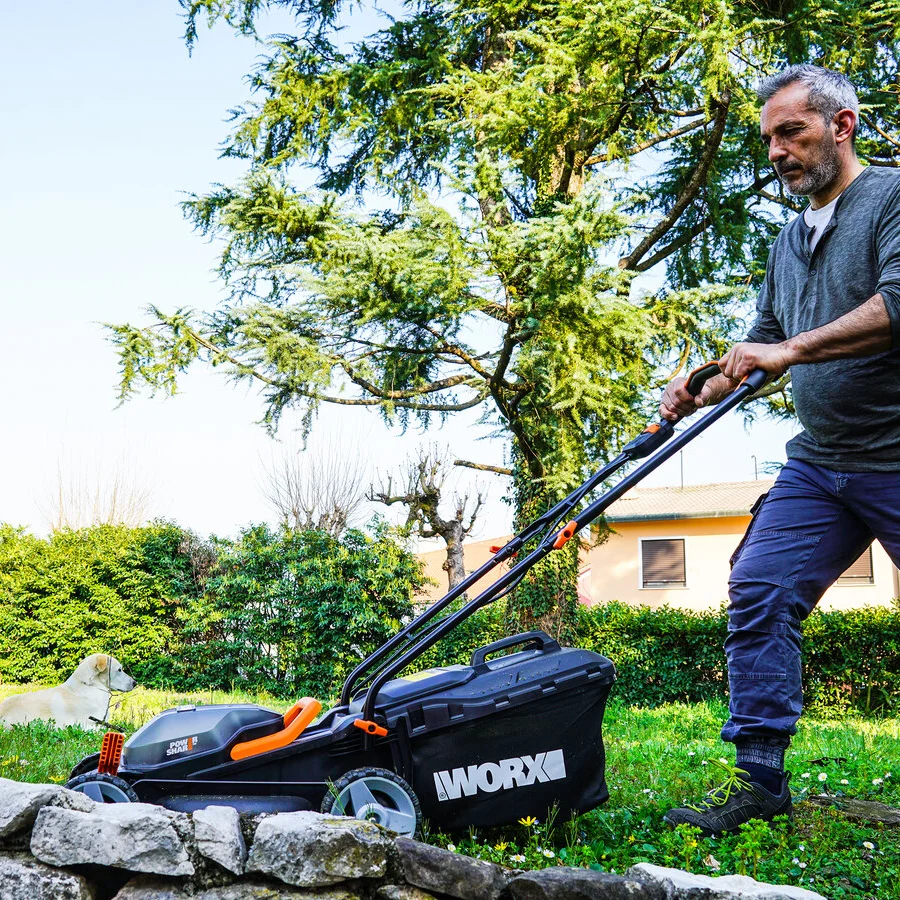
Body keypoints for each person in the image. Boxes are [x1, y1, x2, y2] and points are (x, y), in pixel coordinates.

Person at [659, 64, 900, 836]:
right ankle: (760, 779)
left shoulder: (892, 198)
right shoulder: (787, 241)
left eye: (791, 131)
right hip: (822, 462)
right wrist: (706, 384)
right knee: (760, 590)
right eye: (767, 139)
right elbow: (767, 342)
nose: (776, 150)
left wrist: (788, 349)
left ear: (842, 125)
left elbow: (898, 304)